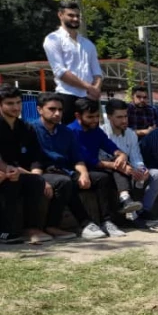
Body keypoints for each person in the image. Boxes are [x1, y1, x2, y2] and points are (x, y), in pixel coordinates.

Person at [32, 93, 118, 239]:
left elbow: (77, 158)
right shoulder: (31, 129)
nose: (57, 113)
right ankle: (80, 224)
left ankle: (106, 222)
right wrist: (38, 180)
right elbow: (33, 159)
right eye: (52, 109)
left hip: (66, 170)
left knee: (101, 178)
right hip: (45, 171)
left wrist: (84, 174)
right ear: (40, 110)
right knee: (65, 182)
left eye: (60, 109)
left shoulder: (65, 131)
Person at [0, 84, 75, 243]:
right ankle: (6, 231)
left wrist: (38, 177)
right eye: (10, 103)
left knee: (62, 182)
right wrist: (10, 170)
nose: (16, 107)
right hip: (6, 172)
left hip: (20, 172)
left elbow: (35, 157)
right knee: (13, 180)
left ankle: (42, 227)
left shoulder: (25, 127)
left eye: (18, 102)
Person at [67, 98, 143, 221]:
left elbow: (110, 146)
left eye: (97, 116)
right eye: (90, 117)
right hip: (77, 168)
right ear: (78, 116)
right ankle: (115, 213)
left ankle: (127, 202)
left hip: (94, 167)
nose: (95, 120)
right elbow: (84, 158)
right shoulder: (71, 131)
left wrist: (122, 155)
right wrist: (114, 165)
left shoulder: (96, 130)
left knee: (123, 166)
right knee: (109, 173)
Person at [102, 98, 158, 228]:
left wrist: (142, 169)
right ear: (109, 117)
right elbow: (102, 158)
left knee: (157, 175)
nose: (124, 120)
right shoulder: (102, 133)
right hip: (111, 169)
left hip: (130, 168)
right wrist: (126, 167)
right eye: (119, 117)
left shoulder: (131, 134)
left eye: (125, 116)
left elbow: (136, 157)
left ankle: (142, 211)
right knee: (123, 170)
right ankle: (130, 209)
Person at [42, 0, 103, 125]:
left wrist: (96, 89)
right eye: (71, 15)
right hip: (67, 96)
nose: (75, 19)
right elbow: (61, 72)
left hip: (90, 98)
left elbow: (97, 72)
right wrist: (89, 87)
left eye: (77, 16)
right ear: (60, 15)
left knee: (92, 136)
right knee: (69, 136)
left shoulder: (88, 44)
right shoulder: (53, 39)